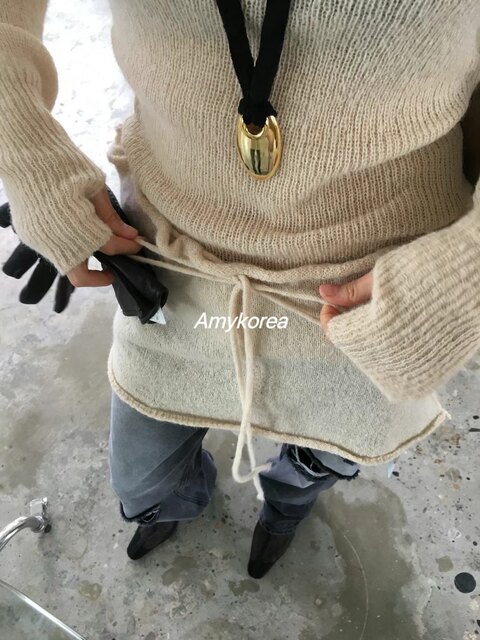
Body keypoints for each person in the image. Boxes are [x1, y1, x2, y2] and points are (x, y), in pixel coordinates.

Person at [0, 1, 479, 580]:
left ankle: (286, 506)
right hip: (175, 260)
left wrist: (467, 269)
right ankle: (169, 505)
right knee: (142, 478)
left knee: (321, 459)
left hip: (374, 292)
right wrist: (24, 148)